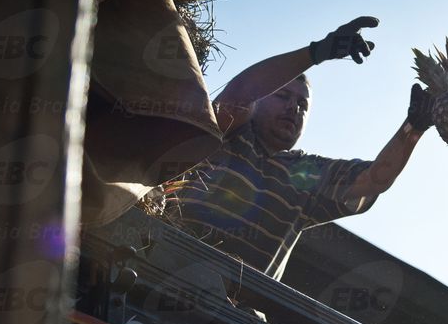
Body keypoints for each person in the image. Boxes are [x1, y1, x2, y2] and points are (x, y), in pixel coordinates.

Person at [168, 16, 434, 280]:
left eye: (303, 105)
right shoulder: (228, 136)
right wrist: (317, 52)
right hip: (164, 276)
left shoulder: (306, 174)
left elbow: (375, 179)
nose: (294, 108)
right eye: (283, 96)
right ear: (259, 101)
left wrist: (413, 128)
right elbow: (241, 92)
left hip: (237, 313)